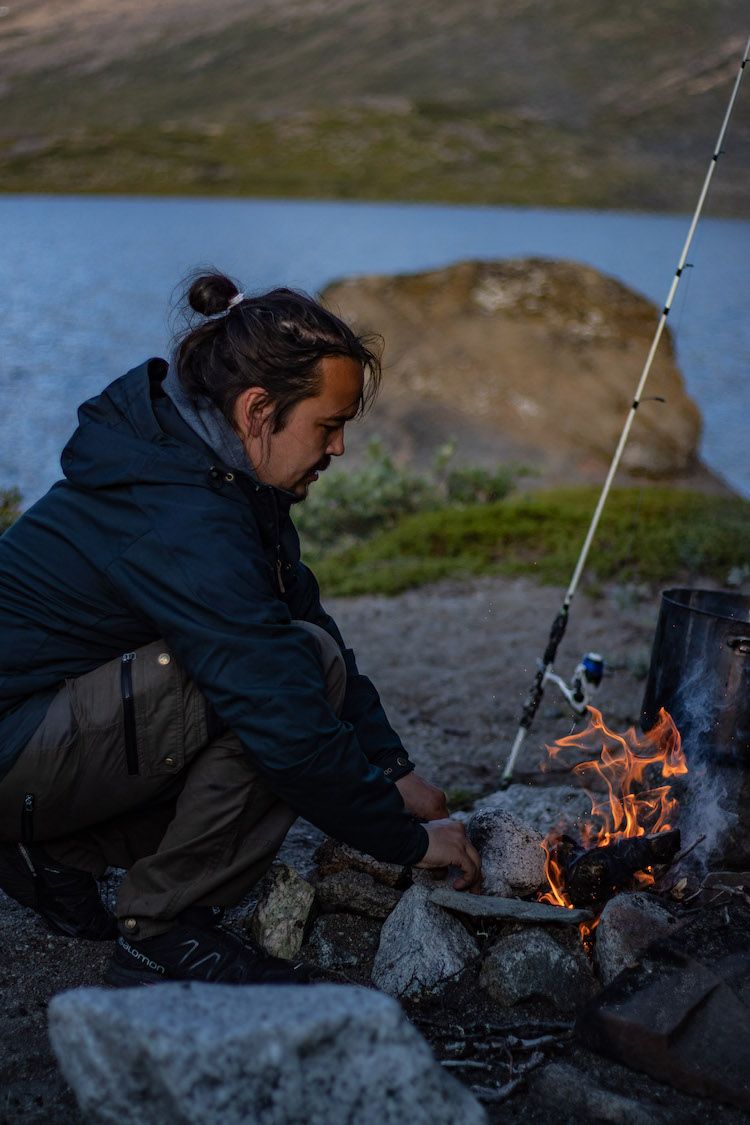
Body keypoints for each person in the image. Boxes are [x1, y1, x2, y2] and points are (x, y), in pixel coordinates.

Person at [0, 271, 481, 987]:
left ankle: (60, 852)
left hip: (37, 730)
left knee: (292, 654)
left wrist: (394, 769)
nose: (341, 448)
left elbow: (300, 611)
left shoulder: (210, 471)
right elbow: (282, 705)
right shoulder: (182, 512)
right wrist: (406, 841)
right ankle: (161, 931)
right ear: (258, 409)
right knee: (285, 681)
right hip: (15, 746)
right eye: (329, 424)